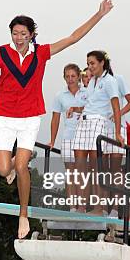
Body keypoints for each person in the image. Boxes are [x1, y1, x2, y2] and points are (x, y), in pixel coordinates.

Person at [0, 0, 114, 238]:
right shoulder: (2, 53)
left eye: (23, 33)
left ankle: (23, 215)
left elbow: (73, 37)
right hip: (4, 117)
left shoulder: (41, 53)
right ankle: (13, 163)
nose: (18, 37)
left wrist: (99, 15)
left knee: (22, 166)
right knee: (4, 170)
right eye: (14, 33)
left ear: (31, 34)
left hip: (30, 118)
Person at [68, 50, 123, 216]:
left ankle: (99, 208)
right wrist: (75, 109)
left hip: (99, 123)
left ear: (101, 63)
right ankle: (81, 207)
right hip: (83, 123)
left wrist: (118, 133)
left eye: (92, 63)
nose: (89, 66)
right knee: (79, 167)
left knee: (96, 168)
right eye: (88, 63)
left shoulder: (110, 81)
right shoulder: (92, 81)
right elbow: (89, 104)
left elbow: (116, 107)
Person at [48, 64, 85, 211]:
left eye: (73, 76)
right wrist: (52, 140)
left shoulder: (87, 91)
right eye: (67, 76)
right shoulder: (60, 95)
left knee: (82, 173)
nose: (70, 79)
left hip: (84, 137)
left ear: (79, 77)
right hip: (68, 137)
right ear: (64, 77)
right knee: (70, 172)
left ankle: (82, 206)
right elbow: (55, 118)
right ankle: (72, 207)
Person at [103, 72, 130, 218]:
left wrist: (118, 114)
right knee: (103, 169)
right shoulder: (94, 82)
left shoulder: (118, 79)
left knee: (116, 170)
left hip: (117, 129)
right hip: (100, 129)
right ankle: (103, 208)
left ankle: (115, 209)